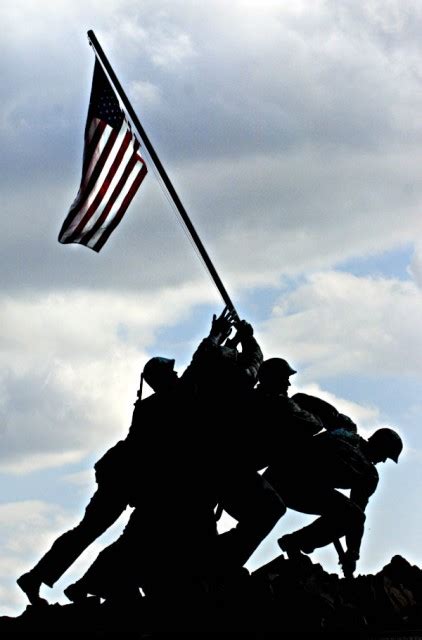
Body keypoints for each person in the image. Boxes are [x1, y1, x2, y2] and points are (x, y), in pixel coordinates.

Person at [265, 426, 403, 577]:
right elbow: (356, 517)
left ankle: (296, 542)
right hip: (290, 479)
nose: (383, 461)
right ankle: (295, 542)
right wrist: (352, 553)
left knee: (349, 514)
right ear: (379, 445)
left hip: (278, 476)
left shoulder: (344, 433)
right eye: (385, 455)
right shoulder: (368, 474)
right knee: (353, 516)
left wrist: (352, 551)